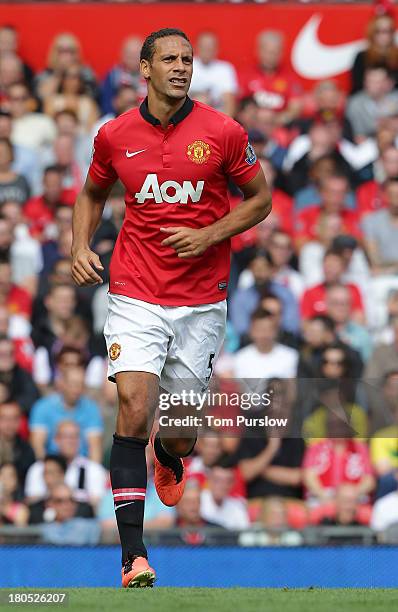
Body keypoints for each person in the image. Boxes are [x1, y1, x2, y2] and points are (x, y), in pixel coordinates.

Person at [70, 28, 270, 588]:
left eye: (187, 59)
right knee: (133, 406)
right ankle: (133, 557)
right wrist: (79, 245)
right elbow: (91, 193)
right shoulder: (114, 135)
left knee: (180, 430)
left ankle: (171, 454)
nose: (182, 67)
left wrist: (210, 235)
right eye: (171, 59)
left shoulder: (224, 132)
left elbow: (261, 200)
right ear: (146, 69)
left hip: (202, 301)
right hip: (135, 291)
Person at [29, 363, 103, 461]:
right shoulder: (43, 407)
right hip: (52, 462)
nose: (77, 389)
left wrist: (93, 472)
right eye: (73, 384)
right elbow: (37, 445)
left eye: (81, 385)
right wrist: (47, 470)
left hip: (81, 463)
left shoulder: (92, 409)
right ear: (62, 384)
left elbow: (95, 447)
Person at [190, 31, 238, 117]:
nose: (207, 50)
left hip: (217, 115)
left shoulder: (225, 69)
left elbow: (229, 99)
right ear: (196, 47)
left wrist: (226, 124)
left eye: (210, 47)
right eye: (204, 46)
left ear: (217, 49)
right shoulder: (187, 65)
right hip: (191, 114)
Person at [351, 12, 398, 94]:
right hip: (367, 99)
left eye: (388, 31)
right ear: (372, 33)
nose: (383, 35)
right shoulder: (362, 56)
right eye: (378, 31)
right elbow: (357, 85)